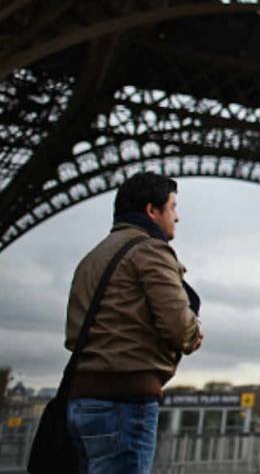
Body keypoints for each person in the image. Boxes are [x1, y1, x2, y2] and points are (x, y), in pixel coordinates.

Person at [64, 171, 203, 474]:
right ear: (152, 211)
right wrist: (194, 334)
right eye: (173, 207)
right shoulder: (150, 249)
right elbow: (179, 325)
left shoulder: (93, 257)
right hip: (124, 399)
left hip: (81, 398)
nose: (177, 217)